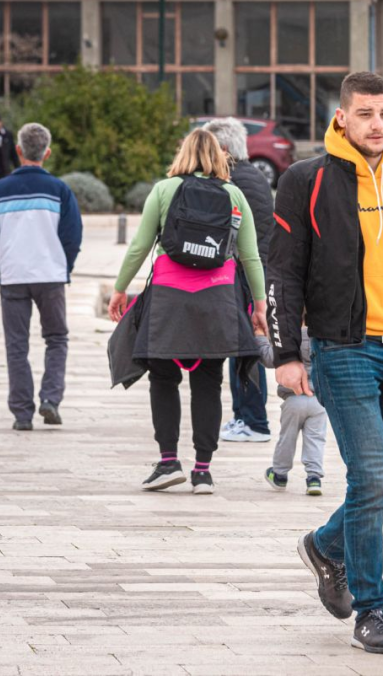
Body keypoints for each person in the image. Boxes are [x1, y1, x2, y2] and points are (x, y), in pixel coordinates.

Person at [268, 71, 383, 654]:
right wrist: (286, 354)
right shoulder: (306, 180)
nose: (377, 125)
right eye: (366, 114)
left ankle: (325, 546)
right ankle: (372, 612)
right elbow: (283, 272)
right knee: (370, 478)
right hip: (344, 349)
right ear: (341, 117)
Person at [108, 129, 267, 495]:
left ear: (182, 154)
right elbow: (250, 256)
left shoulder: (164, 190)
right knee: (208, 382)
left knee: (163, 379)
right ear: (219, 156)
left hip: (169, 298)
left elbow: (140, 246)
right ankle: (203, 471)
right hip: (218, 298)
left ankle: (168, 462)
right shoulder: (234, 195)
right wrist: (259, 305)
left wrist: (120, 288)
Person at [0, 123, 83, 431]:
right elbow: (73, 235)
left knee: (16, 345)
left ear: (18, 150)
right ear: (47, 153)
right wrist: (63, 265)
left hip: (13, 276)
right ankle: (50, 398)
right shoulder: (60, 190)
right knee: (57, 338)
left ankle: (22, 414)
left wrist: (1, 263)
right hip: (50, 275)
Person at [203, 117, 274, 444]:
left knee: (245, 347)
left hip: (246, 275)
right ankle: (244, 417)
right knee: (243, 346)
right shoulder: (251, 176)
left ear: (223, 149)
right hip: (252, 272)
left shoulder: (234, 182)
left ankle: (254, 421)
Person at [256, 325, 327, 496]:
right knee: (316, 439)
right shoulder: (322, 335)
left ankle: (279, 474)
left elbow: (268, 358)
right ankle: (314, 478)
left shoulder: (287, 336)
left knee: (287, 437)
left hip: (294, 398)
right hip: (318, 400)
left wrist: (260, 337)